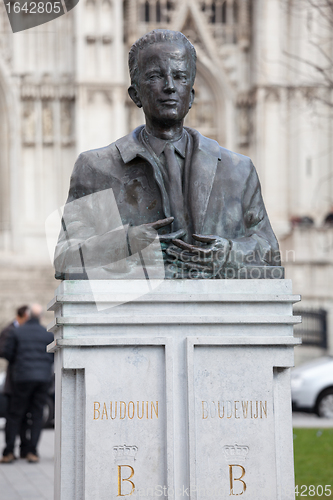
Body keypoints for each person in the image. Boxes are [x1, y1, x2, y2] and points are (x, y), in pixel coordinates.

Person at [54, 29, 281, 280]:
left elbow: (270, 254)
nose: (170, 86)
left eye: (181, 77)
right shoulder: (96, 168)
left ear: (192, 95)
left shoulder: (238, 170)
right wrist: (127, 244)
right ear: (135, 95)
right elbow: (65, 259)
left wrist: (228, 255)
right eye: (155, 76)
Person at [0, 304, 54, 463]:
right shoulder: (47, 334)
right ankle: (32, 452)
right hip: (43, 379)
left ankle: (9, 451)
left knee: (16, 414)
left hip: (22, 378)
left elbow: (7, 353)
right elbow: (52, 356)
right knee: (37, 415)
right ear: (41, 317)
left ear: (27, 316)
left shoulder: (17, 332)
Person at [0, 305, 32, 459]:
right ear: (22, 316)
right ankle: (9, 450)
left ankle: (24, 449)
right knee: (13, 417)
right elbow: (4, 351)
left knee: (25, 417)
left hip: (23, 381)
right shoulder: (9, 330)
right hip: (14, 382)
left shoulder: (22, 331)